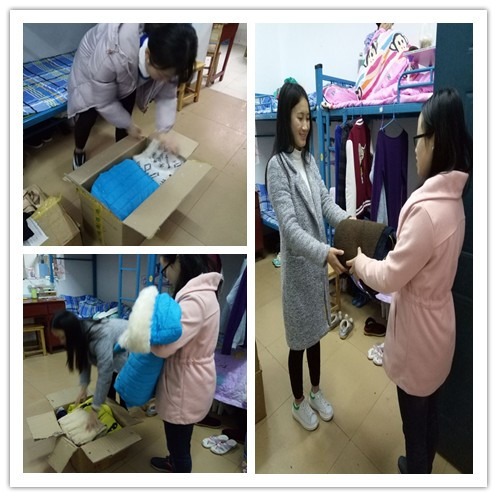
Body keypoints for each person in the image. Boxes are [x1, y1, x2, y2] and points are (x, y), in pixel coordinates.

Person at [346, 88, 472, 473]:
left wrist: (359, 262)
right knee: (429, 417)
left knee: (414, 427)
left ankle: (417, 473)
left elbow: (390, 275)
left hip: (418, 339)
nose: (415, 147)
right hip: (439, 331)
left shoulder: (427, 213)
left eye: (418, 137)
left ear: (435, 140)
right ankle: (422, 468)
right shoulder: (454, 203)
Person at [266, 82, 350, 432]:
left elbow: (326, 204)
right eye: (299, 117)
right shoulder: (277, 167)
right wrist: (323, 252)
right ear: (285, 119)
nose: (305, 125)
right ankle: (298, 402)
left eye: (308, 118)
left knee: (316, 334)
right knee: (297, 342)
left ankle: (315, 392)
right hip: (300, 270)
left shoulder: (309, 161)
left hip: (315, 268)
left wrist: (350, 223)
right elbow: (288, 228)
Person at [67, 23, 198, 169]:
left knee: (126, 109)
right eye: (163, 76)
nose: (166, 81)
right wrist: (128, 124)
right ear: (148, 55)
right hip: (92, 67)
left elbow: (167, 96)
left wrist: (164, 131)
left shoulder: (168, 58)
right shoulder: (111, 53)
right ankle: (78, 150)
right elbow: (104, 102)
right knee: (88, 114)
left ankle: (122, 153)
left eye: (170, 76)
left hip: (125, 71)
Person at [150, 255, 223, 473]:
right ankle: (173, 460)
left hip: (185, 386)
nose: (166, 277)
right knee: (181, 438)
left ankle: (178, 467)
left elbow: (163, 347)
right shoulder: (203, 293)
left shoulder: (194, 301)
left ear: (178, 261)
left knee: (179, 445)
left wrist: (146, 334)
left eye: (165, 270)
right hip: (190, 379)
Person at [51, 311, 129, 429]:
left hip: (128, 341)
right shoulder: (81, 332)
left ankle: (125, 414)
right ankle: (112, 408)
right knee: (110, 388)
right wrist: (84, 387)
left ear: (71, 332)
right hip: (114, 344)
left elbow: (105, 374)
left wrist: (95, 408)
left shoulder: (100, 337)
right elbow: (84, 360)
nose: (61, 342)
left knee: (122, 383)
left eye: (62, 337)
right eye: (59, 338)